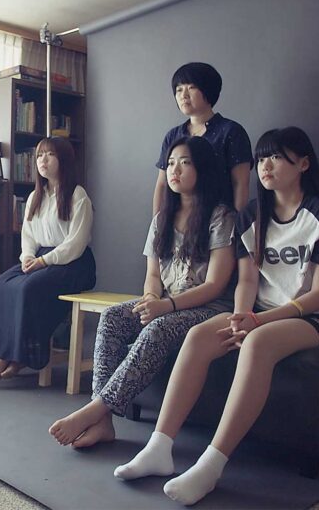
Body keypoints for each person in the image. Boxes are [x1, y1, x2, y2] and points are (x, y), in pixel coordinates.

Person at [117, 127, 319, 506]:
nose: (265, 166)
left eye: (276, 157)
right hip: (260, 311)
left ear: (303, 164)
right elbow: (246, 279)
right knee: (199, 335)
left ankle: (211, 465)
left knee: (256, 343)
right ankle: (159, 447)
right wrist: (242, 315)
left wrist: (257, 324)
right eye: (261, 159)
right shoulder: (251, 215)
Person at [49, 136, 236, 448]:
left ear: (203, 169)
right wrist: (151, 299)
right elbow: (152, 275)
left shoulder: (220, 216)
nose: (175, 170)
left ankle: (96, 408)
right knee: (112, 317)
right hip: (168, 301)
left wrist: (165, 306)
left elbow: (215, 285)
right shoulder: (161, 218)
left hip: (211, 307)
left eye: (185, 162)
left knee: (160, 327)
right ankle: (104, 422)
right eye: (171, 163)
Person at [0, 136, 97, 383]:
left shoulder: (78, 196)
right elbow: (28, 235)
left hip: (74, 263)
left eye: (50, 155)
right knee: (1, 285)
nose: (42, 161)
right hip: (41, 258)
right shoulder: (37, 196)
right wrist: (27, 257)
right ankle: (11, 354)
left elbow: (75, 244)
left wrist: (44, 262)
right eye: (39, 155)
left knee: (29, 288)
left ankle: (14, 357)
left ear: (63, 160)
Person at [153, 62, 252, 214]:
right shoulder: (173, 135)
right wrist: (158, 226)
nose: (183, 95)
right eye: (179, 90)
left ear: (208, 90)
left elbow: (241, 183)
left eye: (191, 87)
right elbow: (162, 184)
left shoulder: (231, 131)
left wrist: (237, 228)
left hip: (218, 221)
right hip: (178, 221)